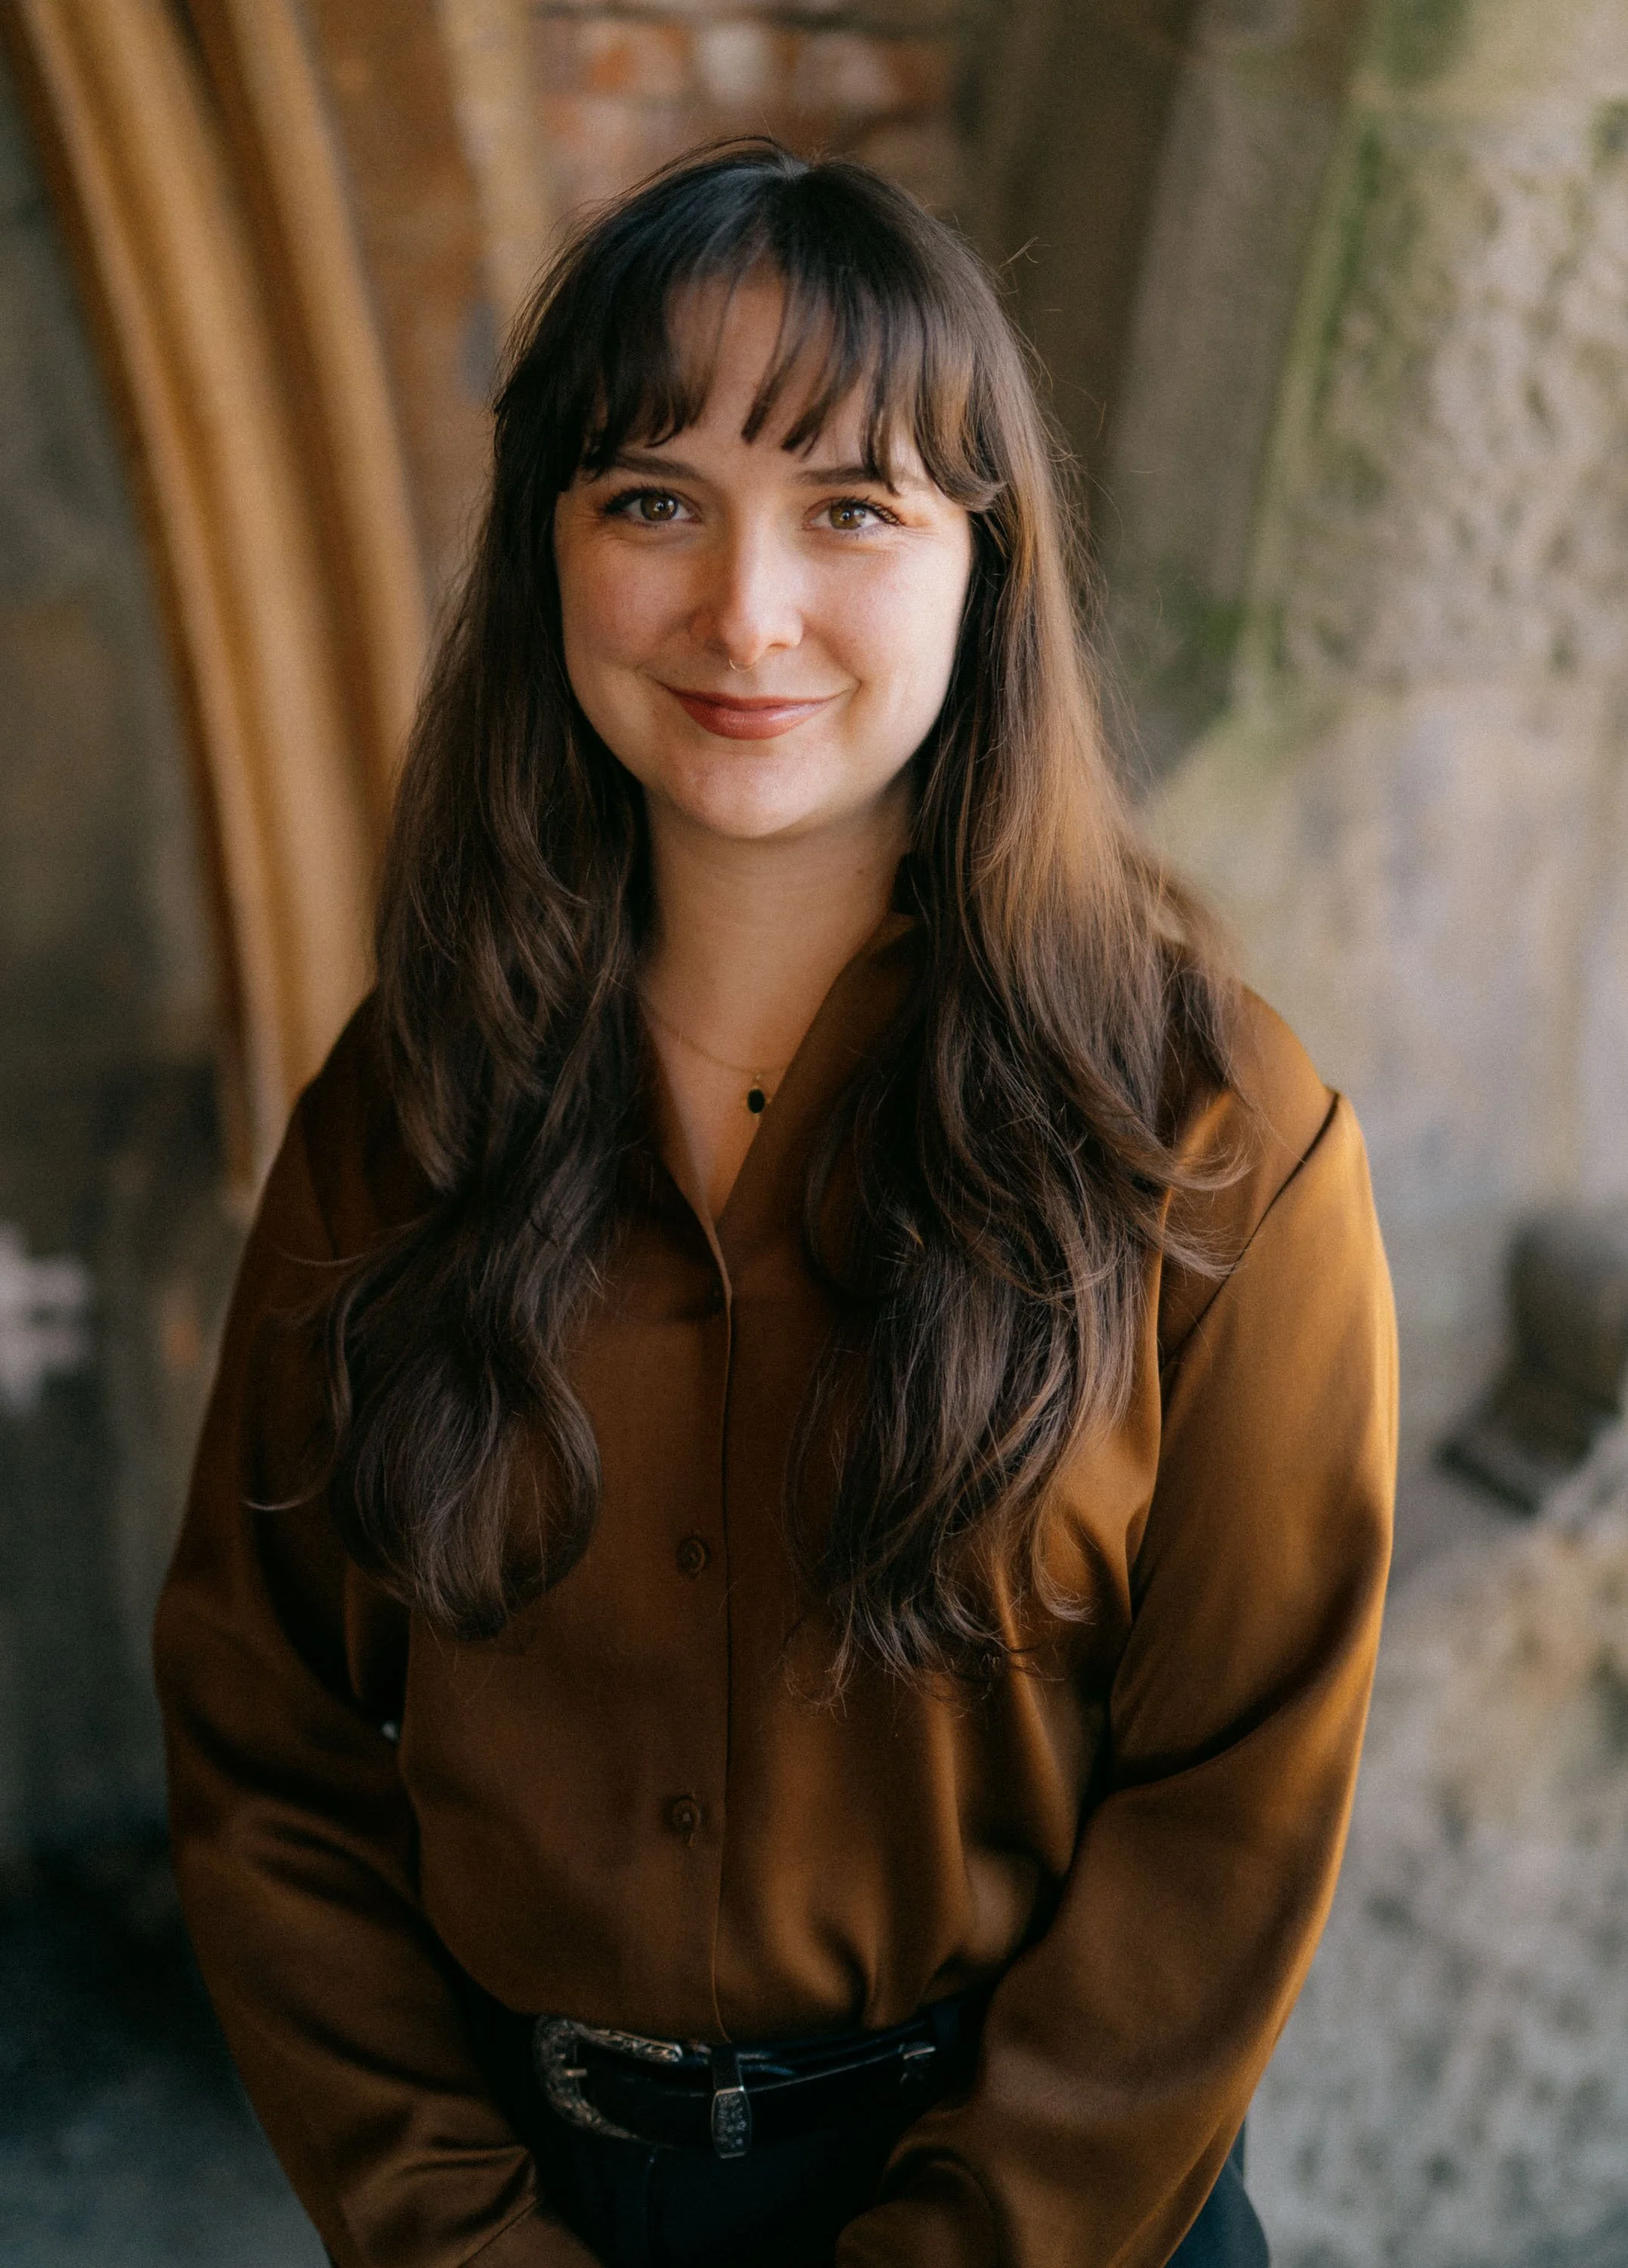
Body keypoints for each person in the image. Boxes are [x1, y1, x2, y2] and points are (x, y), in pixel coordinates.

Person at [154, 141, 1396, 2268]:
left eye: (851, 510)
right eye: (654, 500)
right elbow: (262, 1744)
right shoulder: (409, 1104)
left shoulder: (1210, 1136)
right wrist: (457, 2238)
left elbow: (1237, 1803)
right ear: (550, 548)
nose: (745, 612)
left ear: (983, 568)